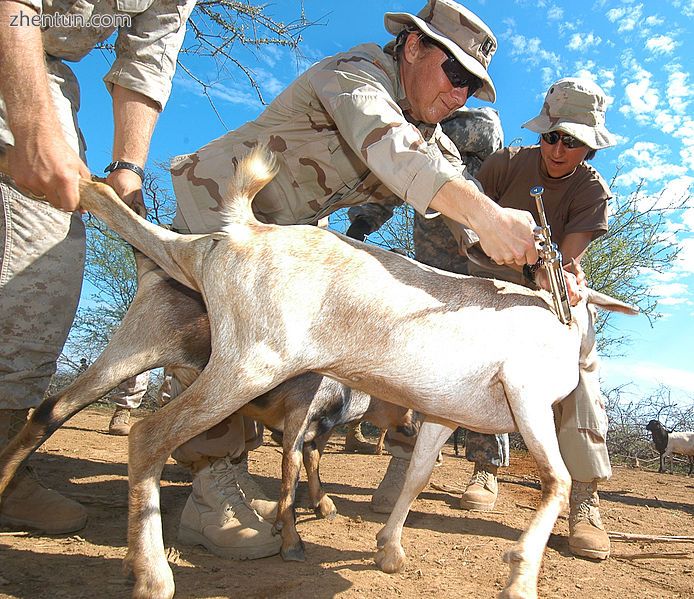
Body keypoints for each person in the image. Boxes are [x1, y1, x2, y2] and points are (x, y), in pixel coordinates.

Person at [168, 0, 539, 561]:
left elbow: (462, 217)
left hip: (279, 245)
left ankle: (220, 476)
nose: (460, 96)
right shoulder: (356, 74)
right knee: (209, 340)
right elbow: (393, 149)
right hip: (219, 211)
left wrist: (536, 264)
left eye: (472, 87)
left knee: (264, 359)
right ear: (413, 46)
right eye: (455, 74)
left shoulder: (431, 137)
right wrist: (487, 217)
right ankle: (211, 491)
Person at [369, 77, 616, 561]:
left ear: (589, 146)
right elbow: (464, 210)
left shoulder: (591, 191)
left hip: (547, 292)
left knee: (580, 366)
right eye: (552, 136)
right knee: (424, 343)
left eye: (573, 141)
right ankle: (404, 454)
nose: (559, 148)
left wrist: (550, 273)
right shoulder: (507, 163)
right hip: (482, 282)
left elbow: (564, 262)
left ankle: (578, 493)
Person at [0, 0, 195, 534]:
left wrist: (128, 169)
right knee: (36, 238)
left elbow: (147, 60)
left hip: (40, 66)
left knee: (56, 248)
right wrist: (32, 127)